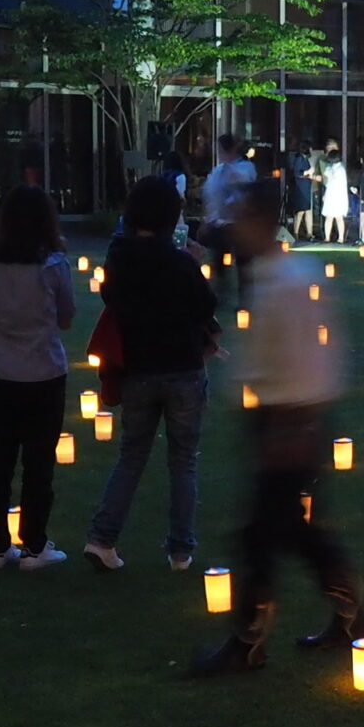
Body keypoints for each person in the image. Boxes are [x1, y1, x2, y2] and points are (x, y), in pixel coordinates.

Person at [192, 182, 364, 673]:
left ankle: (248, 641)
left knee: (261, 534)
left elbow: (310, 356)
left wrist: (292, 426)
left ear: (261, 222)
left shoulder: (288, 282)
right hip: (281, 417)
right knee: (295, 530)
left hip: (289, 419)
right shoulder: (282, 275)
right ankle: (349, 618)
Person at [83, 174, 218, 574]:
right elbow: (205, 306)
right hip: (183, 370)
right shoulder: (178, 262)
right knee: (183, 461)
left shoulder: (119, 259)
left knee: (132, 455)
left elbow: (112, 299)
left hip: (138, 369)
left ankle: (102, 538)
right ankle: (180, 550)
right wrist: (196, 264)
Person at [0, 185, 78, 571]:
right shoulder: (53, 265)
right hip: (42, 372)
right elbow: (66, 316)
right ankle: (34, 544)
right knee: (38, 462)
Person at [197, 134, 255, 251]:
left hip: (238, 225)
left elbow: (244, 194)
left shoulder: (244, 168)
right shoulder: (219, 171)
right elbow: (212, 197)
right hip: (221, 226)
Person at [319, 150, 353, 244]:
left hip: (338, 196)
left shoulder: (340, 169)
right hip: (330, 195)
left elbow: (334, 180)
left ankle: (341, 238)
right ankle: (327, 237)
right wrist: (326, 194)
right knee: (329, 217)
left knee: (339, 217)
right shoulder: (332, 167)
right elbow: (329, 182)